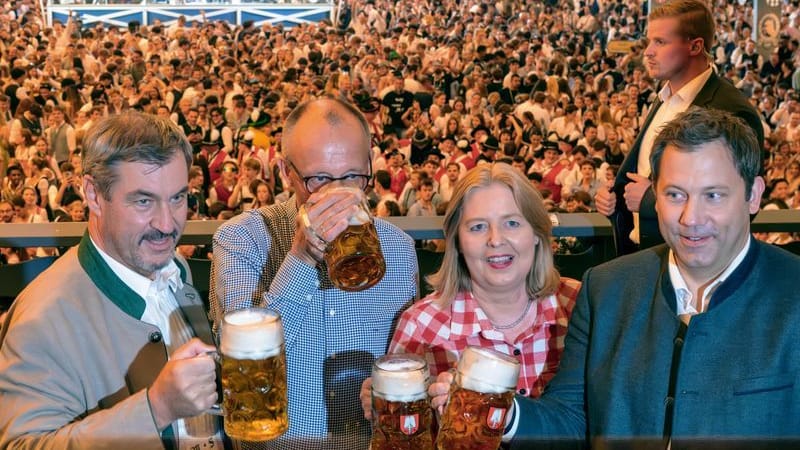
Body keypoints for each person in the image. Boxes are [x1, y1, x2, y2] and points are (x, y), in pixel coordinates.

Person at [431, 108, 800, 448]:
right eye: (675, 194)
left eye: (714, 195)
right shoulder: (606, 288)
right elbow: (573, 419)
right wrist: (507, 413)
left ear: (753, 196)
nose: (691, 217)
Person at [0, 112, 224, 449]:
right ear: (92, 194)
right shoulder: (42, 318)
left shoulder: (176, 268)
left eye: (178, 198)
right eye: (143, 200)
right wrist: (155, 409)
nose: (167, 224)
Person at [210, 97, 418, 449]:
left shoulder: (398, 248)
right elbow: (240, 368)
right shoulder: (241, 239)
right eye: (318, 178)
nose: (336, 195)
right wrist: (300, 258)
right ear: (284, 171)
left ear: (369, 165)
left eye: (352, 176)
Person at [361, 163, 580, 419]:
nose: (496, 239)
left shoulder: (580, 304)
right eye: (478, 227)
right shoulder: (420, 327)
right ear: (457, 242)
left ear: (536, 233)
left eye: (511, 223)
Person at [595, 0, 764, 256]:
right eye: (650, 41)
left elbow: (740, 206)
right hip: (645, 256)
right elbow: (643, 176)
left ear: (695, 46)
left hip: (691, 263)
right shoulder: (663, 98)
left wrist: (651, 201)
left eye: (660, 42)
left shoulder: (730, 110)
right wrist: (614, 198)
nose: (648, 52)